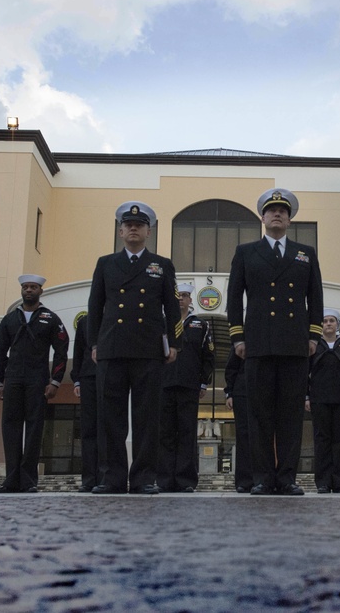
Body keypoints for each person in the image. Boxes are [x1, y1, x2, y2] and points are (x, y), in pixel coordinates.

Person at [227, 188, 323, 496]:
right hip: (258, 344)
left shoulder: (305, 252)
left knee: (291, 415)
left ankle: (287, 478)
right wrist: (237, 336)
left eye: (283, 210)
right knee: (259, 415)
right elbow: (233, 298)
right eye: (272, 210)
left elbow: (315, 298)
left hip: (295, 344)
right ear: (263, 217)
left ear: (290, 218)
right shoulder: (246, 252)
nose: (277, 214)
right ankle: (262, 478)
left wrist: (313, 335)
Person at [88, 202, 182, 495]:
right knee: (110, 419)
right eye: (128, 225)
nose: (133, 229)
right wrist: (94, 343)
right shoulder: (105, 263)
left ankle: (143, 479)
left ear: (148, 231)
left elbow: (172, 307)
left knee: (147, 418)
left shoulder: (162, 265)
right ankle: (112, 478)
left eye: (139, 225)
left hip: (148, 349)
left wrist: (174, 343)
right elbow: (95, 306)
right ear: (120, 231)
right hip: (112, 347)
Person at [0, 274, 68, 493]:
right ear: (21, 290)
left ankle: (28, 481)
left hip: (38, 380)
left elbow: (62, 349)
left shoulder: (50, 318)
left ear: (40, 291)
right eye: (25, 287)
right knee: (11, 429)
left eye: (33, 287)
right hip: (13, 379)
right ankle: (11, 480)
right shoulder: (9, 320)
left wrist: (55, 381)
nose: (28, 290)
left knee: (34, 430)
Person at [158, 282, 215, 493]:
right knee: (165, 433)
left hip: (189, 386)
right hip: (165, 384)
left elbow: (208, 357)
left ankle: (186, 480)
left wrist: (203, 382)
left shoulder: (201, 325)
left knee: (187, 433)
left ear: (190, 300)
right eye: (178, 296)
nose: (181, 299)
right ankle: (164, 479)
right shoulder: (163, 324)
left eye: (184, 295)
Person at [306, 308, 340, 494]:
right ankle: (322, 483)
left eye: (332, 320)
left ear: (338, 324)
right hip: (319, 400)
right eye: (324, 321)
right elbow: (304, 374)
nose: (328, 323)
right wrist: (306, 396)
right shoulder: (313, 347)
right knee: (321, 441)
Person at [70, 312, 98, 493]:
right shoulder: (85, 321)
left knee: (110, 428)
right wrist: (77, 380)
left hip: (112, 376)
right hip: (89, 377)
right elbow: (78, 351)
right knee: (88, 429)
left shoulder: (118, 314)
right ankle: (89, 479)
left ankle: (109, 478)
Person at [223, 346, 253, 493]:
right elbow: (231, 368)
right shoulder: (241, 341)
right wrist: (229, 392)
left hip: (262, 391)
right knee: (243, 436)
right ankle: (244, 480)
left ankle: (262, 478)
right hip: (242, 392)